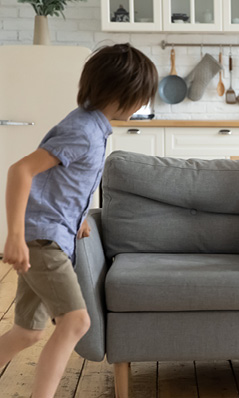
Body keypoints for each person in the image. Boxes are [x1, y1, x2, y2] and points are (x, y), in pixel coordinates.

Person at [0, 43, 157, 398]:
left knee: (28, 332)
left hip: (52, 234)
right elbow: (20, 171)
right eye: (141, 97)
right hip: (43, 240)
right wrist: (14, 236)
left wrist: (80, 215)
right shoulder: (83, 131)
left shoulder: (91, 127)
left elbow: (68, 181)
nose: (142, 104)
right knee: (77, 321)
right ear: (122, 94)